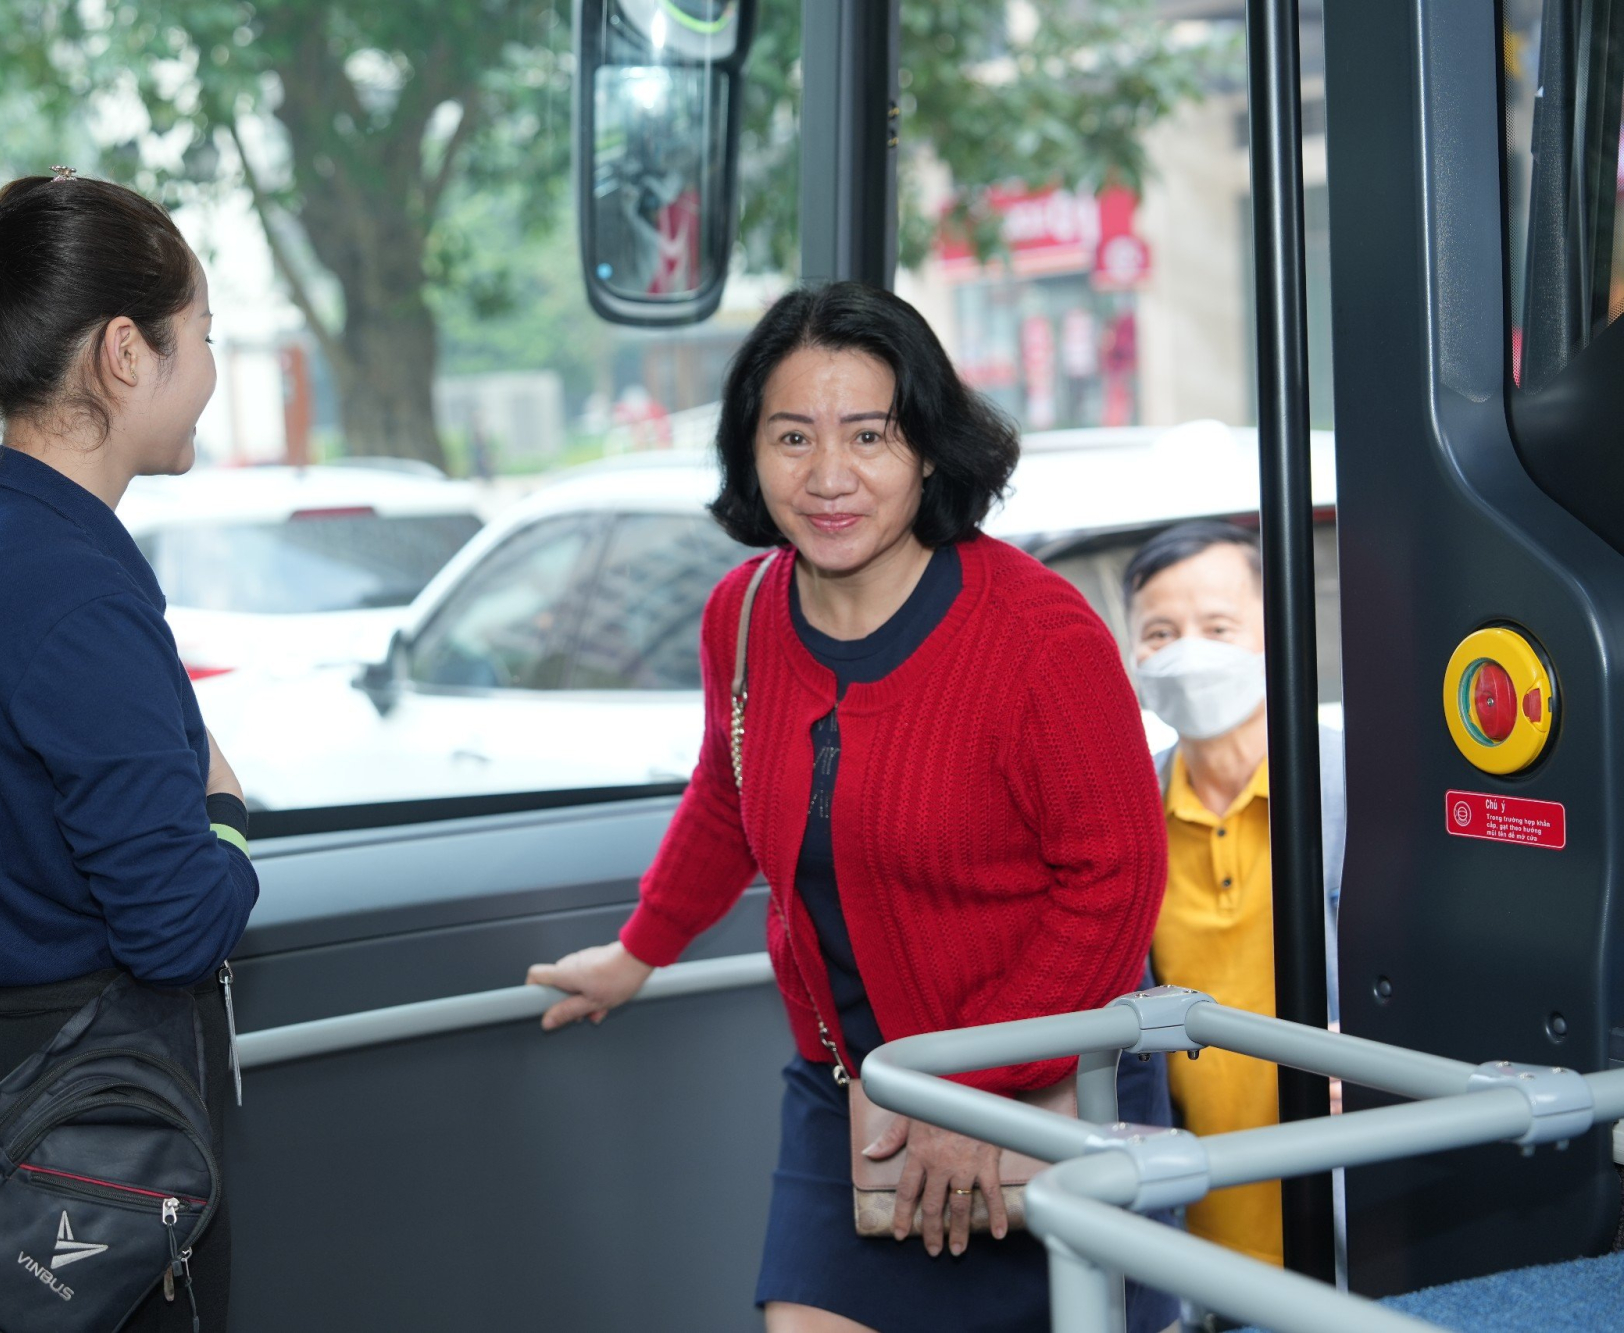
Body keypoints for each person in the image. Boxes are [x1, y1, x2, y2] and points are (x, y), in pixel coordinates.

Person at [526, 282, 1176, 1333]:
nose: (828, 476)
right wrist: (637, 949)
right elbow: (727, 792)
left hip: (1046, 1096)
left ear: (926, 447)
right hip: (851, 1096)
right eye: (792, 436)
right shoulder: (740, 615)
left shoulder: (1039, 637)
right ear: (749, 452)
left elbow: (1114, 882)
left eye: (867, 434)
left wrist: (969, 1086)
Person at [0, 172, 258, 1331]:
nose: (207, 370)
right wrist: (232, 814)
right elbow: (176, 923)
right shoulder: (70, 589)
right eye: (200, 338)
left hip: (5, 1116)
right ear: (121, 353)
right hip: (104, 1138)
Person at [1124, 520, 1347, 1272]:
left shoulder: (1368, 790)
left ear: (1275, 631)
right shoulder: (1121, 818)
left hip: (1356, 1225)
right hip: (1194, 1239)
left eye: (1218, 626)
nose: (1189, 651)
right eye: (1160, 630)